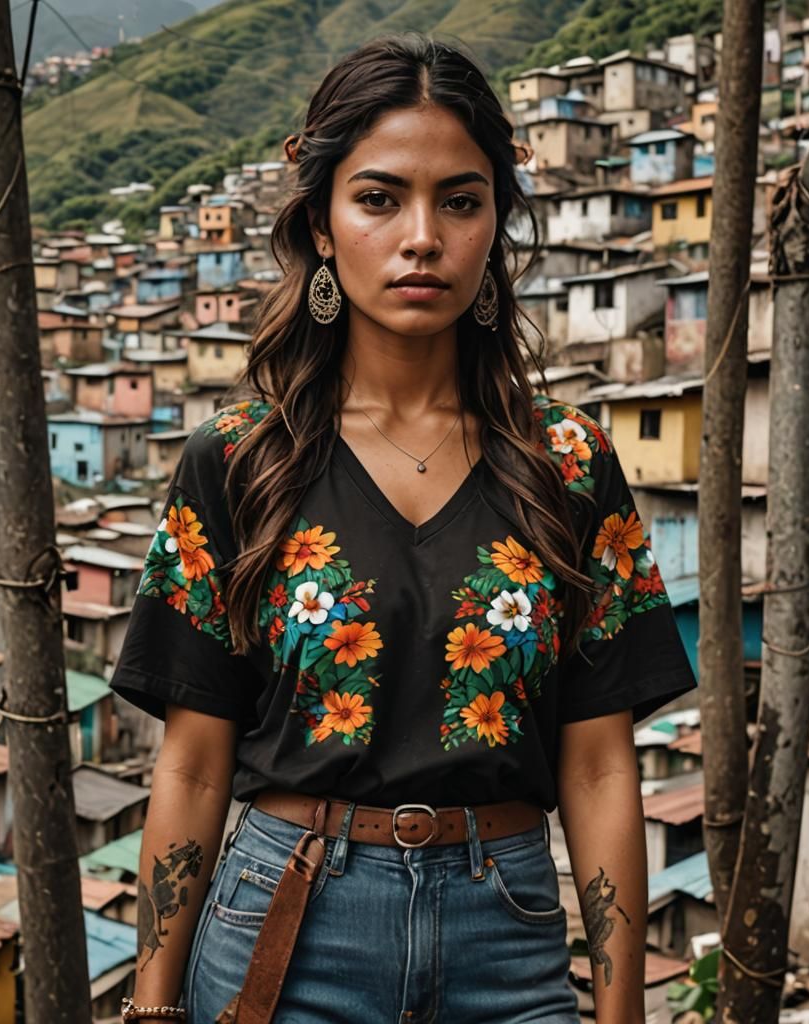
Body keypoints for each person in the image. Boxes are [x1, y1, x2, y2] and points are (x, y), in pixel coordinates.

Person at [110, 31, 698, 1024]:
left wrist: (621, 1008)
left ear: (493, 226)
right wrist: (151, 1007)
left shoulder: (569, 465)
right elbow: (192, 758)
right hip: (284, 927)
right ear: (325, 226)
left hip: (506, 933)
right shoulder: (239, 460)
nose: (421, 236)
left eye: (459, 201)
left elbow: (598, 763)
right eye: (379, 198)